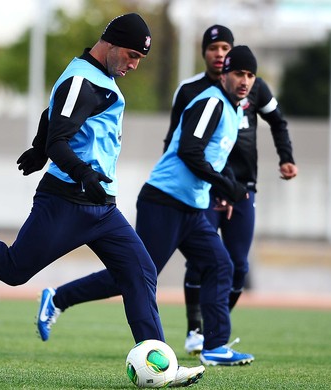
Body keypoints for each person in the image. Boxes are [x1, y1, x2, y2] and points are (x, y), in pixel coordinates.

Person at [0, 13, 204, 387]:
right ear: (110, 43)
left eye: (140, 58)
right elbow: (61, 133)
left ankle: (161, 366)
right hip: (66, 201)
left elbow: (52, 116)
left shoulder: (97, 78)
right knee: (13, 269)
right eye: (131, 54)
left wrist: (40, 148)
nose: (134, 64)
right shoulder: (82, 79)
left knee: (140, 272)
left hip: (102, 207)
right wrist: (71, 164)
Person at [34, 45, 259, 367]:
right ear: (224, 74)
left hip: (192, 207)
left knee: (220, 265)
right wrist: (228, 187)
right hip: (164, 201)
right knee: (136, 275)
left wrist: (223, 188)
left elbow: (214, 158)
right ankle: (58, 298)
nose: (244, 81)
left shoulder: (235, 109)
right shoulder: (211, 103)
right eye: (239, 73)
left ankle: (215, 346)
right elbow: (190, 152)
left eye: (250, 75)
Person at [165, 25, 298, 355]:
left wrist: (286, 158)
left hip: (242, 190)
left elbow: (278, 121)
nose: (220, 53)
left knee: (238, 266)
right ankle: (197, 331)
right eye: (214, 48)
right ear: (205, 53)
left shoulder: (252, 87)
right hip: (206, 189)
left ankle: (214, 328)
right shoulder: (193, 91)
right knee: (203, 261)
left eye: (226, 47)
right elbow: (177, 143)